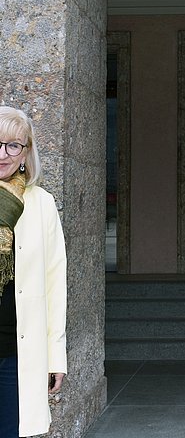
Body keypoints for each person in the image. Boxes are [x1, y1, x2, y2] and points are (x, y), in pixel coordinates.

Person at [0, 106, 67, 438]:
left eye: (14, 145)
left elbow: (56, 287)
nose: (4, 154)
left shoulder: (41, 204)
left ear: (26, 153)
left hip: (15, 354)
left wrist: (56, 357)